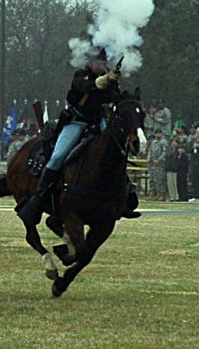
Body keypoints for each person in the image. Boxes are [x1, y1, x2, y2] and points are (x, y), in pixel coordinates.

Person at [18, 46, 140, 224]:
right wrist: (106, 79)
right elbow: (88, 87)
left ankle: (125, 195)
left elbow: (114, 98)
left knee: (116, 151)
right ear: (90, 62)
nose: (101, 65)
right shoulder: (81, 75)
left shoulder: (110, 79)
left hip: (98, 122)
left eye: (104, 63)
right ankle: (39, 198)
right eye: (98, 62)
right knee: (58, 156)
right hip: (77, 121)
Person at [148, 129, 168, 200]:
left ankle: (161, 194)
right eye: (156, 133)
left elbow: (164, 152)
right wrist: (149, 159)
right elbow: (150, 151)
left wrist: (159, 160)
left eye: (159, 133)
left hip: (160, 164)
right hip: (153, 164)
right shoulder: (153, 142)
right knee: (153, 179)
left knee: (161, 180)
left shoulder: (164, 142)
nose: (158, 135)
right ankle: (153, 194)